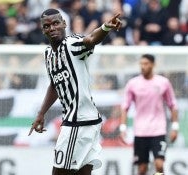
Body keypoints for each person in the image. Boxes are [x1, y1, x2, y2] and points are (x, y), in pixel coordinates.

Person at [28, 8, 122, 175]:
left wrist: (105, 27)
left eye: (56, 23)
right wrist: (41, 113)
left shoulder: (72, 44)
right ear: (43, 30)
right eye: (47, 26)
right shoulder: (49, 54)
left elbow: (91, 39)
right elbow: (55, 84)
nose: (52, 28)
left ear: (64, 24)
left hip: (79, 122)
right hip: (85, 121)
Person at [120, 54, 178, 175]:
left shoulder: (163, 82)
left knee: (159, 165)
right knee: (142, 169)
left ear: (153, 65)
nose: (143, 66)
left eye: (146, 64)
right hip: (140, 131)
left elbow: (172, 105)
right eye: (141, 64)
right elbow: (125, 107)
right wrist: (123, 127)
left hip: (158, 130)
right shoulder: (133, 83)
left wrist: (175, 127)